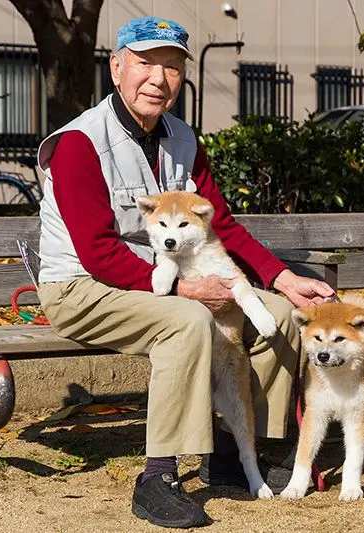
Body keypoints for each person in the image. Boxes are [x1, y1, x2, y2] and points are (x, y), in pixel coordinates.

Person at [34, 16, 335, 529]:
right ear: (116, 68)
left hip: (160, 281)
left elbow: (222, 226)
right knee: (188, 321)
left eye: (172, 68)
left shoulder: (182, 139)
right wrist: (185, 288)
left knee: (280, 315)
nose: (158, 78)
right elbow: (97, 250)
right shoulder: (81, 142)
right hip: (81, 286)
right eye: (146, 64)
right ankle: (158, 476)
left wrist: (281, 279)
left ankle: (234, 452)